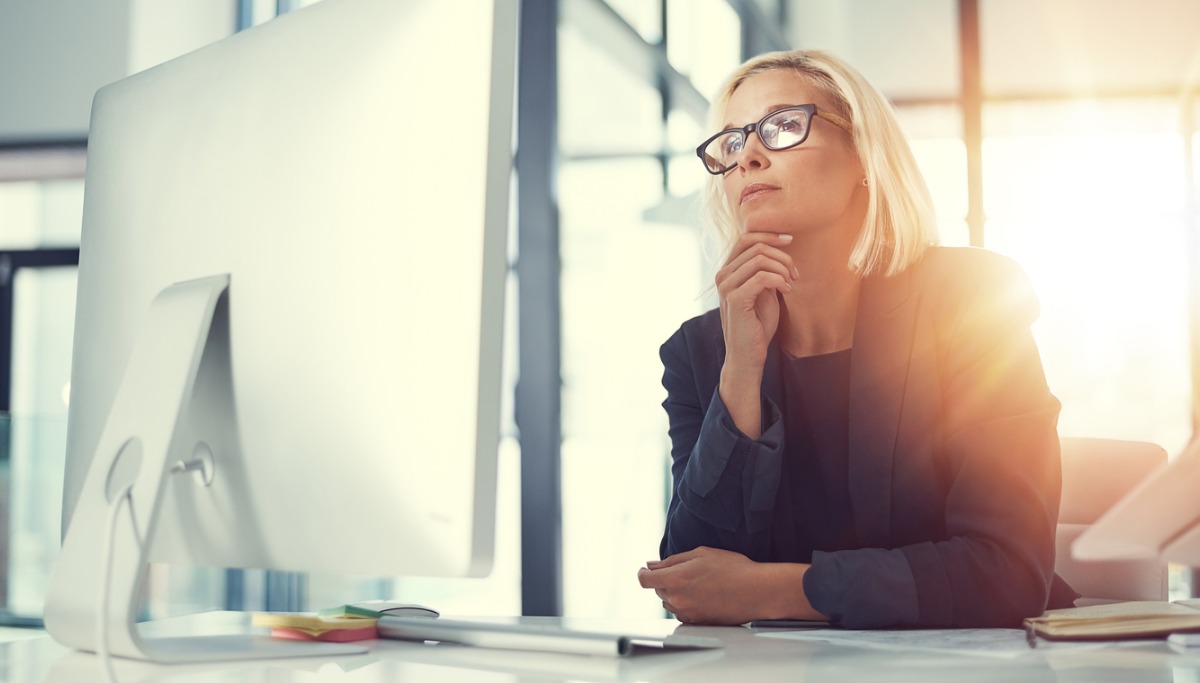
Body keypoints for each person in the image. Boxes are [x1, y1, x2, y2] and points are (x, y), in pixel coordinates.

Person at [636, 49, 1077, 629]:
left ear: (863, 156)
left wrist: (780, 591)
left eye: (783, 125)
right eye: (733, 141)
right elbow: (693, 578)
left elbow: (1007, 570)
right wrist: (741, 370)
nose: (749, 156)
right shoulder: (700, 352)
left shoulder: (972, 299)